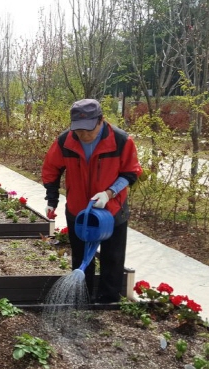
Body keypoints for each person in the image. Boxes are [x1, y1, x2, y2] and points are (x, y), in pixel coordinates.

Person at [41, 99, 142, 303]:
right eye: (79, 131)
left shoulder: (121, 140)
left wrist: (109, 193)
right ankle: (82, 298)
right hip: (79, 210)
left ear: (101, 121)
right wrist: (52, 199)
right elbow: (51, 169)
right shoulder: (65, 141)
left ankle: (108, 299)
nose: (84, 136)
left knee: (112, 257)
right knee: (80, 256)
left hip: (113, 209)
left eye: (89, 131)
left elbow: (131, 173)